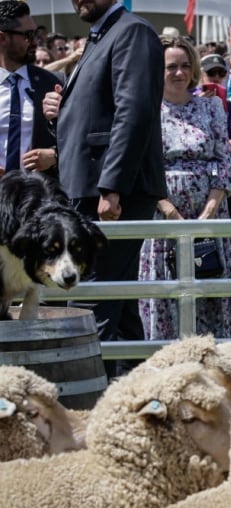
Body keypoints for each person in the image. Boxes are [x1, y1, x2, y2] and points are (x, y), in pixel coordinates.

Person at [42, 0, 167, 377]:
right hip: (91, 187)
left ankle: (93, 402)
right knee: (118, 303)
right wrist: (60, 111)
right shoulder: (100, 37)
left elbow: (135, 112)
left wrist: (111, 187)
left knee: (95, 298)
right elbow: (98, 114)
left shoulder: (133, 31)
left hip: (113, 192)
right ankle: (135, 402)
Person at [138, 36, 231, 340]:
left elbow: (222, 159)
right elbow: (143, 164)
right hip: (162, 217)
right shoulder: (147, 111)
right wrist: (168, 209)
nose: (179, 73)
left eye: (185, 65)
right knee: (167, 298)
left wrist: (209, 209)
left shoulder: (210, 107)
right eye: (171, 66)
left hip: (209, 216)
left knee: (211, 295)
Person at [0, 1, 62, 177]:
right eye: (28, 35)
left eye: (35, 34)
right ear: (2, 38)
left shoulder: (52, 83)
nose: (36, 41)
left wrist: (54, 155)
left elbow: (76, 138)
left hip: (38, 196)